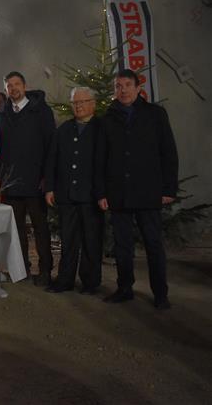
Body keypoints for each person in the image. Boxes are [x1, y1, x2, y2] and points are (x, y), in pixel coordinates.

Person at [95, 69, 178, 310]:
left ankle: (160, 293)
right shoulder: (107, 119)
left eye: (127, 85)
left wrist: (168, 187)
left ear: (138, 88)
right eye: (118, 86)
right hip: (118, 193)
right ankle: (124, 288)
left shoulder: (155, 114)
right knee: (122, 245)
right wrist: (101, 193)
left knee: (153, 244)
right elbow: (101, 159)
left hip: (148, 191)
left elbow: (168, 153)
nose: (123, 90)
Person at [0, 71, 56, 286]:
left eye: (17, 84)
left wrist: (47, 179)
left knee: (40, 228)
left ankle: (46, 270)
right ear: (6, 90)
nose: (13, 88)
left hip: (36, 181)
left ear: (25, 85)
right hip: (11, 183)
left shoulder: (41, 111)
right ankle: (21, 269)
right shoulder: (2, 114)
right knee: (16, 229)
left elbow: (51, 147)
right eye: (9, 86)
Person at [44, 87, 103, 294]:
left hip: (91, 196)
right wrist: (50, 188)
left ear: (92, 104)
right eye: (74, 103)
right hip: (66, 194)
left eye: (82, 102)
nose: (78, 106)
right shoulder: (64, 129)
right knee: (68, 240)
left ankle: (90, 283)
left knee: (91, 241)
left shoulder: (101, 129)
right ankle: (64, 280)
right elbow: (52, 160)